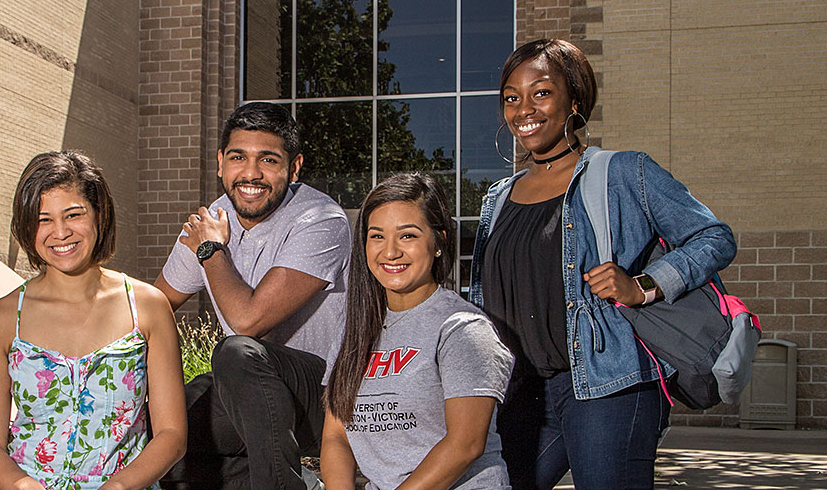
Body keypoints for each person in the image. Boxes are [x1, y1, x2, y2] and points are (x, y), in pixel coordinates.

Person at [468, 39, 737, 490]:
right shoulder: (498, 197)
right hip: (523, 390)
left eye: (541, 92)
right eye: (512, 97)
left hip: (607, 383)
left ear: (574, 100)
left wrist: (645, 284)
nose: (524, 109)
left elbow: (714, 236)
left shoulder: (623, 173)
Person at [154, 102, 351, 490]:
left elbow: (248, 321)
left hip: (322, 399)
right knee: (162, 439)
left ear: (293, 168)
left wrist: (211, 251)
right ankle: (303, 484)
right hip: (249, 396)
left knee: (237, 351)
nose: (251, 173)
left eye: (268, 160)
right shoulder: (216, 215)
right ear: (220, 162)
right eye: (238, 157)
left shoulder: (321, 220)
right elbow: (153, 307)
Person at [0, 151, 186, 490]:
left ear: (99, 215)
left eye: (73, 215)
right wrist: (24, 487)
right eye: (43, 220)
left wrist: (116, 488)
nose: (60, 232)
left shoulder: (147, 307)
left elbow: (172, 436)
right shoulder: (2, 318)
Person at [319, 173, 515, 490]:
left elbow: (465, 445)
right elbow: (336, 434)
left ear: (439, 241)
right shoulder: (353, 328)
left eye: (408, 236)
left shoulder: (462, 327)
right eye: (377, 236)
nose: (390, 251)